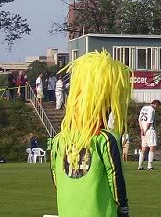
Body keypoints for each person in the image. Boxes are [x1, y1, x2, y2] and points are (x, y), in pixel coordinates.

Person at [49, 51, 130, 216]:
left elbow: (56, 178)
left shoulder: (59, 140)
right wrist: (123, 209)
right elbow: (115, 177)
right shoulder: (104, 139)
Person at [138, 100, 160, 170]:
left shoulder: (143, 108)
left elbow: (139, 120)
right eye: (158, 106)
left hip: (142, 130)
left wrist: (142, 129)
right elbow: (150, 121)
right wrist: (145, 130)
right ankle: (150, 166)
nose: (157, 108)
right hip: (149, 130)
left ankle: (140, 165)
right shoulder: (152, 110)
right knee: (152, 147)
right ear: (155, 104)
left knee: (143, 148)